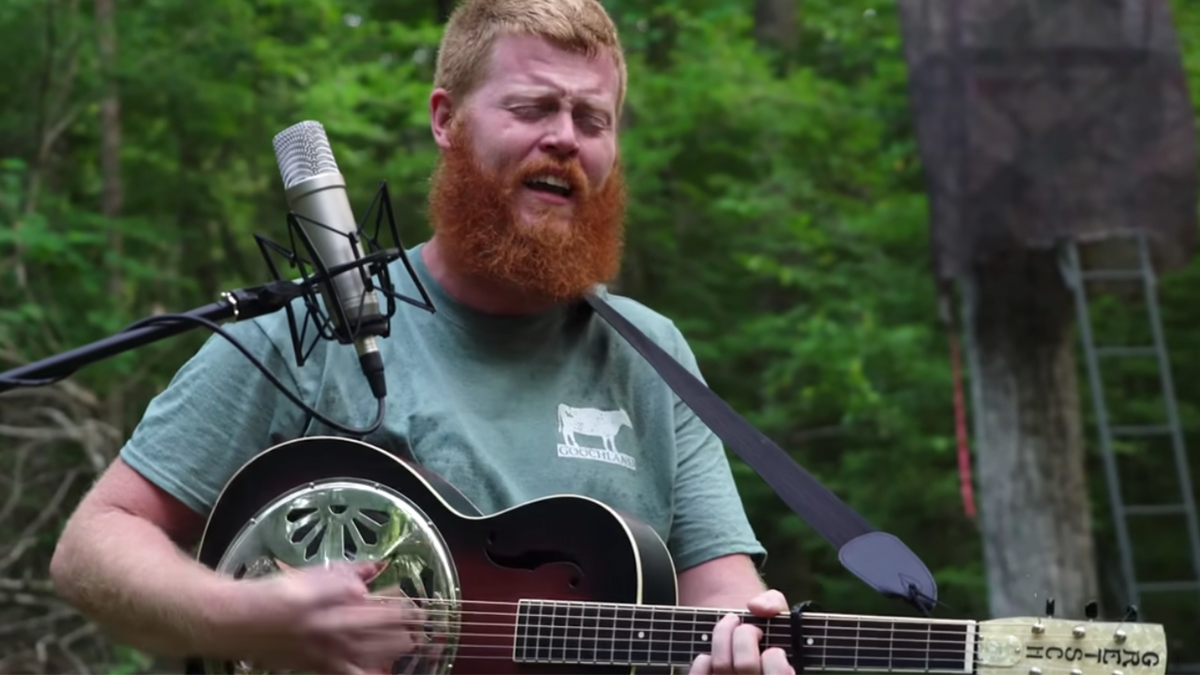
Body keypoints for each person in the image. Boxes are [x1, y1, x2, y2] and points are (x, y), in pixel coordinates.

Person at [48, 0, 795, 673]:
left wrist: (739, 653)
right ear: (446, 119)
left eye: (591, 120)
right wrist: (254, 617)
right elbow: (95, 543)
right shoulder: (314, 330)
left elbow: (719, 595)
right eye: (533, 107)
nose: (564, 138)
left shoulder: (651, 352)